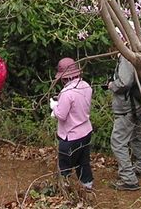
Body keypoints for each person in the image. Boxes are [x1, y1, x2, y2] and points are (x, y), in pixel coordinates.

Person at [107, 23, 141, 191]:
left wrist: (112, 85)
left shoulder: (127, 56)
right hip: (137, 104)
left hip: (126, 107)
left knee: (118, 142)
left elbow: (125, 81)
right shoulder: (139, 52)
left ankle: (128, 179)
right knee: (138, 137)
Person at [50, 57, 94, 192]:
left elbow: (61, 115)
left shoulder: (67, 92)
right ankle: (87, 184)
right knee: (83, 161)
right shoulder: (86, 86)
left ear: (64, 78)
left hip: (71, 135)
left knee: (65, 164)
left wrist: (54, 106)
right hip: (86, 131)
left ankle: (65, 188)